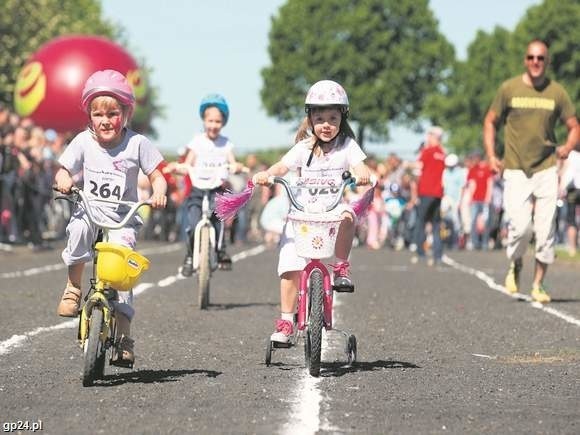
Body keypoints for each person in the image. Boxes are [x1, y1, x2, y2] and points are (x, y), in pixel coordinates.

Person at [53, 69, 168, 365]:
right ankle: (74, 288)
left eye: (113, 113)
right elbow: (63, 169)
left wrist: (158, 191)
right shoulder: (82, 142)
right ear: (89, 116)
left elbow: (158, 175)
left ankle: (125, 337)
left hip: (122, 218)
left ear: (126, 114)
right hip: (89, 211)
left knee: (121, 272)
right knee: (77, 230)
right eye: (98, 114)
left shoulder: (137, 143)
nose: (105, 121)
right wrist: (65, 178)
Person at [252, 80, 371, 344]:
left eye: (332, 117)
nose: (326, 124)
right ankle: (286, 321)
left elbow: (361, 166)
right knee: (290, 267)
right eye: (319, 118)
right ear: (310, 120)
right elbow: (281, 167)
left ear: (343, 117)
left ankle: (340, 267)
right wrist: (266, 175)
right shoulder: (303, 148)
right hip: (303, 214)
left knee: (348, 215)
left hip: (331, 211)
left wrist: (362, 174)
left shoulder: (347, 146)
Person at [483, 39, 579, 303]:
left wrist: (568, 146)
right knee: (521, 228)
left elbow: (574, 126)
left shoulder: (557, 92)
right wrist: (492, 155)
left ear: (547, 62)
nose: (535, 62)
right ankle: (516, 263)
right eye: (531, 58)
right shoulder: (509, 89)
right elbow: (490, 121)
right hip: (515, 168)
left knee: (546, 230)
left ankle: (539, 283)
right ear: (525, 60)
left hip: (547, 168)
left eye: (541, 58)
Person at [175, 94, 241, 277]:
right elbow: (188, 162)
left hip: (216, 190)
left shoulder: (226, 144)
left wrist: (235, 166)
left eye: (218, 121)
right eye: (210, 120)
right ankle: (189, 256)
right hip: (198, 190)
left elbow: (232, 161)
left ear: (223, 122)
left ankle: (221, 251)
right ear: (204, 120)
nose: (213, 125)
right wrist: (179, 167)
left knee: (219, 221)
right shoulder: (197, 141)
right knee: (192, 223)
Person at [410, 126, 446, 266]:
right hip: (437, 194)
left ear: (433, 136)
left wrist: (406, 164)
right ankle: (438, 254)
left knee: (421, 222)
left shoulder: (428, 151)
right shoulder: (442, 153)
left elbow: (419, 166)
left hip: (426, 192)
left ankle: (420, 252)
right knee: (436, 224)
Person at [559, 150, 580, 256]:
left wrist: (561, 187)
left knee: (571, 220)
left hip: (573, 189)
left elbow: (566, 173)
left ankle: (572, 248)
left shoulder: (571, 154)